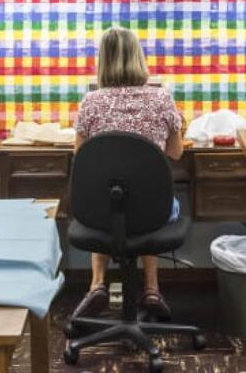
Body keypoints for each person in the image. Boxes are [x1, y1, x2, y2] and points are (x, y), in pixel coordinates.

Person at [71, 26, 184, 321]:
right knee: (151, 201)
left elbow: (81, 158)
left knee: (109, 196)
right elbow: (175, 153)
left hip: (102, 210)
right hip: (152, 211)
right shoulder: (162, 99)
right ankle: (151, 288)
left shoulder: (90, 103)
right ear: (139, 58)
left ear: (102, 62)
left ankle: (97, 285)